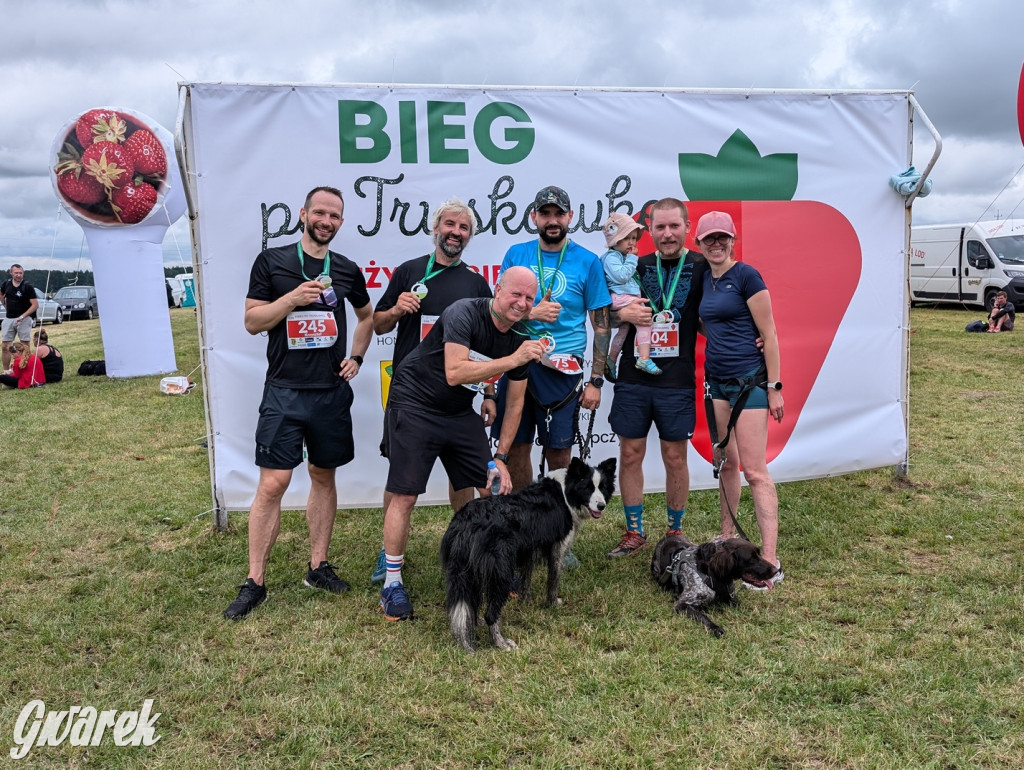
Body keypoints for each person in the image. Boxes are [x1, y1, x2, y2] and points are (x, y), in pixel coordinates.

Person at [223, 185, 374, 621]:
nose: (326, 221)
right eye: (320, 212)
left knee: (323, 477)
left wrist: (358, 357)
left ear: (341, 223)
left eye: (335, 216)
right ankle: (255, 582)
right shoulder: (273, 261)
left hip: (329, 393)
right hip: (284, 391)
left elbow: (366, 317)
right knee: (273, 484)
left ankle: (318, 567)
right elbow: (252, 321)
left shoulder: (345, 269)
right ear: (304, 214)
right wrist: (291, 299)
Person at [378, 266, 545, 621]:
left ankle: (487, 561)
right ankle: (391, 583)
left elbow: (514, 403)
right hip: (414, 402)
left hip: (456, 410)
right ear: (497, 289)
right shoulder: (464, 311)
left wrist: (500, 455)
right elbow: (455, 370)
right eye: (516, 294)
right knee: (405, 494)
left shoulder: (522, 334)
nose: (522, 303)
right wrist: (513, 360)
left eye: (529, 298)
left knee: (494, 485)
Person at [370, 198, 492, 582]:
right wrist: (395, 310)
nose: (456, 232)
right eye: (450, 224)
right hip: (410, 397)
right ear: (435, 228)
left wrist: (489, 393)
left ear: (469, 237)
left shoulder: (475, 284)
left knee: (465, 481)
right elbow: (378, 325)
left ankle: (466, 543)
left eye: (464, 228)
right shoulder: (408, 272)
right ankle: (387, 556)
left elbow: (489, 346)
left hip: (457, 398)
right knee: (401, 482)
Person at [491, 186, 612, 493]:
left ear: (570, 216)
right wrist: (531, 314)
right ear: (534, 217)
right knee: (515, 447)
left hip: (563, 370)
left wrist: (596, 381)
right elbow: (497, 313)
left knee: (559, 453)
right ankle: (520, 521)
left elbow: (601, 325)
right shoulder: (516, 254)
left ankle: (555, 528)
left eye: (559, 213)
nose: (552, 220)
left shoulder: (587, 261)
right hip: (518, 363)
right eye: (545, 214)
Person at [606, 198, 708, 558]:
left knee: (675, 457)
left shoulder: (700, 265)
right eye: (660, 227)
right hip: (634, 376)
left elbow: (714, 314)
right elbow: (605, 314)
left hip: (677, 379)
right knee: (630, 453)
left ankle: (675, 532)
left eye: (674, 226)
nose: (667, 234)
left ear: (686, 227)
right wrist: (624, 315)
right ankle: (634, 532)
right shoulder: (635, 267)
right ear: (649, 230)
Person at [696, 210, 784, 590]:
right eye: (709, 239)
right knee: (726, 463)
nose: (716, 244)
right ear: (698, 245)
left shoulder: (746, 276)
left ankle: (769, 558)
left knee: (755, 471)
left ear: (733, 241)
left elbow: (770, 332)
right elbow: (707, 321)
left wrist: (775, 386)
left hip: (750, 384)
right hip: (717, 383)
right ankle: (727, 534)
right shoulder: (702, 279)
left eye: (723, 238)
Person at [600, 212, 660, 378]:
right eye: (627, 238)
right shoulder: (612, 258)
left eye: (634, 238)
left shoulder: (621, 256)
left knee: (624, 329)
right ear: (614, 239)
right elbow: (621, 276)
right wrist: (633, 259)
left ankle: (611, 360)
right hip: (619, 298)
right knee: (644, 320)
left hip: (623, 298)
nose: (632, 243)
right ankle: (644, 358)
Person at [2, 264, 39, 372]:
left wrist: (23, 316)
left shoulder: (27, 286)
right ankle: (7, 371)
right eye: (16, 273)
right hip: (9, 318)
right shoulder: (6, 284)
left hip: (24, 319)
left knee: (24, 345)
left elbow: (35, 305)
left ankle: (26, 369)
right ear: (11, 273)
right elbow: (1, 294)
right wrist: (5, 305)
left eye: (20, 273)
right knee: (5, 346)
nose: (18, 275)